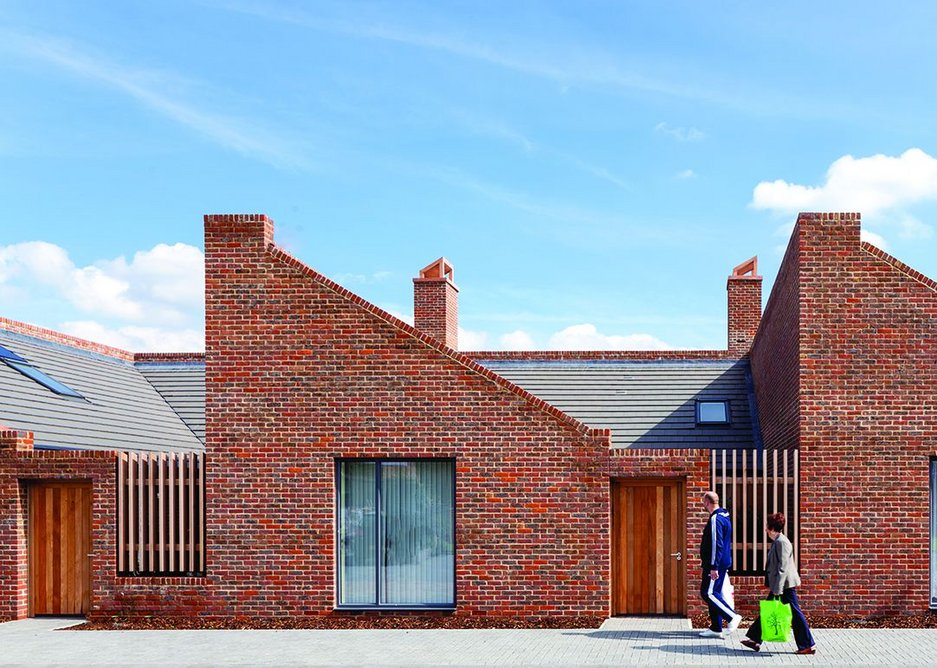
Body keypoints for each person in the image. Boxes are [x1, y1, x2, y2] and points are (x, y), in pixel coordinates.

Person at [741, 513, 817, 655]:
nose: (765, 530)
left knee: (796, 614)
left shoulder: (782, 542)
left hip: (785, 586)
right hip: (780, 585)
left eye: (766, 527)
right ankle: (754, 639)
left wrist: (778, 589)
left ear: (771, 527)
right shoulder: (778, 541)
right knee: (768, 611)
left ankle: (807, 645)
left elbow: (783, 567)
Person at [698, 491, 742, 638]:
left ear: (706, 503)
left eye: (703, 502)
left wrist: (713, 566)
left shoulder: (716, 519)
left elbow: (717, 543)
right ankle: (716, 627)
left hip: (715, 564)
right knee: (713, 592)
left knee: (708, 593)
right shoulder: (724, 515)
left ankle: (732, 616)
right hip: (719, 562)